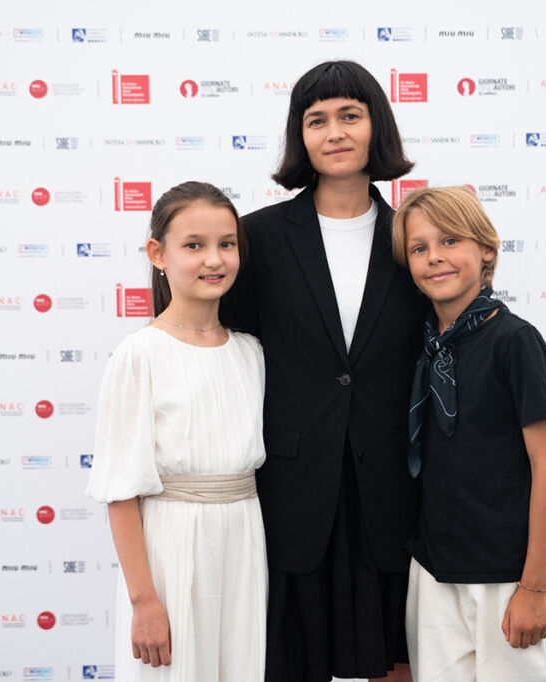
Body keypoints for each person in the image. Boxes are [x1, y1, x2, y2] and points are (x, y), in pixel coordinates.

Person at [221, 60, 427, 682]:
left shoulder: (415, 237)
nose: (334, 132)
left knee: (396, 657)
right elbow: (220, 347)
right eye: (317, 120)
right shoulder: (254, 238)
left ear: (376, 126)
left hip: (392, 490)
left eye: (350, 116)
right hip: (289, 490)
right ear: (300, 136)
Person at [86, 181, 267, 682]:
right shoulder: (140, 354)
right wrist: (144, 600)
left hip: (244, 543)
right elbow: (120, 491)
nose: (214, 259)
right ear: (158, 254)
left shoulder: (250, 352)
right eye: (194, 245)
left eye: (226, 244)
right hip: (171, 546)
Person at [391, 186, 546, 682]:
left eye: (450, 240)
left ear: (486, 249)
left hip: (507, 575)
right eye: (419, 248)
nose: (434, 257)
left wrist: (533, 587)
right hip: (435, 569)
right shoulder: (422, 346)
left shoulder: (515, 341)